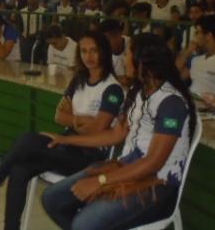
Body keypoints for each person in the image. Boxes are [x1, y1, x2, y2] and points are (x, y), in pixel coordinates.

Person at [0, 31, 124, 230]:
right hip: (67, 147)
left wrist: (76, 123)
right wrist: (80, 121)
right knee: (19, 169)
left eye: (94, 51)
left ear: (104, 53)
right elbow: (58, 116)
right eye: (83, 51)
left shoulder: (112, 89)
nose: (88, 56)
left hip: (89, 156)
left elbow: (98, 129)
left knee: (29, 139)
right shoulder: (78, 80)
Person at [41, 34, 197, 230]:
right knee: (52, 199)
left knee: (84, 223)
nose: (123, 58)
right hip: (127, 167)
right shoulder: (140, 92)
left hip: (157, 185)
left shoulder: (171, 103)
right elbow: (114, 135)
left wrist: (100, 181)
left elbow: (153, 163)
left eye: (127, 54)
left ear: (142, 62)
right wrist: (67, 140)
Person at [176, 15, 215, 97]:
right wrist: (188, 50)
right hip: (190, 103)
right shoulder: (196, 59)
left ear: (209, 35)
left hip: (213, 107)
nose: (194, 37)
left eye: (197, 32)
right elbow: (174, 76)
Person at [99, 19, 130, 87]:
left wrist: (110, 79)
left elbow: (129, 80)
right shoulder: (102, 50)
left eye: (114, 36)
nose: (111, 41)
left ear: (120, 33)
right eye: (106, 39)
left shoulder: (132, 45)